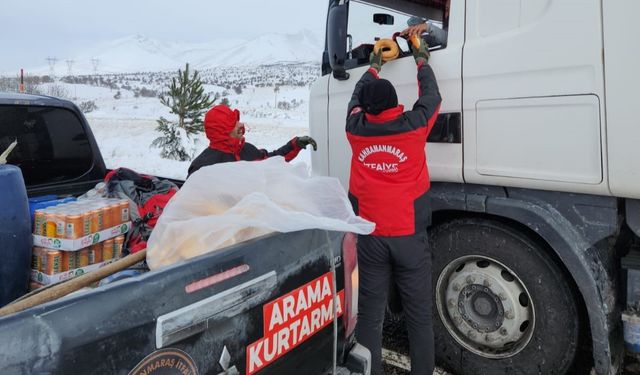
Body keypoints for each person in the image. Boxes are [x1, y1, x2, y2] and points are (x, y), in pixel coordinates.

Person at [345, 37, 441, 375]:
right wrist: (421, 58)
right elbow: (432, 98)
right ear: (395, 103)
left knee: (370, 316)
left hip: (371, 236)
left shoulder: (355, 129)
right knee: (419, 319)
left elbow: (356, 98)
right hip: (409, 238)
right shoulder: (414, 126)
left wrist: (373, 65)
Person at [187, 104, 316, 177]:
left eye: (237, 120)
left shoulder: (246, 150)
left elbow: (271, 161)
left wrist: (294, 145)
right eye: (233, 123)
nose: (240, 125)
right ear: (221, 131)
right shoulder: (203, 167)